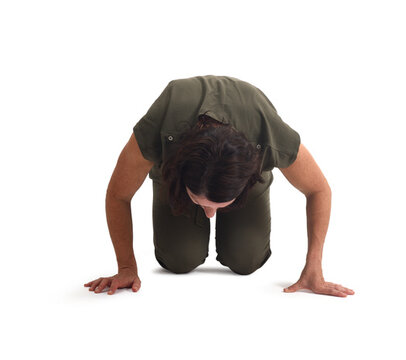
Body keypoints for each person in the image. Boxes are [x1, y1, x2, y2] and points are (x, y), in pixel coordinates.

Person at [85, 75, 354, 297]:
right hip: (177, 176)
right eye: (202, 203)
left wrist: (314, 267)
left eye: (217, 206)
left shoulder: (266, 129)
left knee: (245, 260)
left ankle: (223, 199)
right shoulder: (165, 118)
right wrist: (126, 267)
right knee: (179, 260)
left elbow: (319, 190)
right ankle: (192, 203)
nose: (209, 214)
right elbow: (118, 194)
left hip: (243, 173)